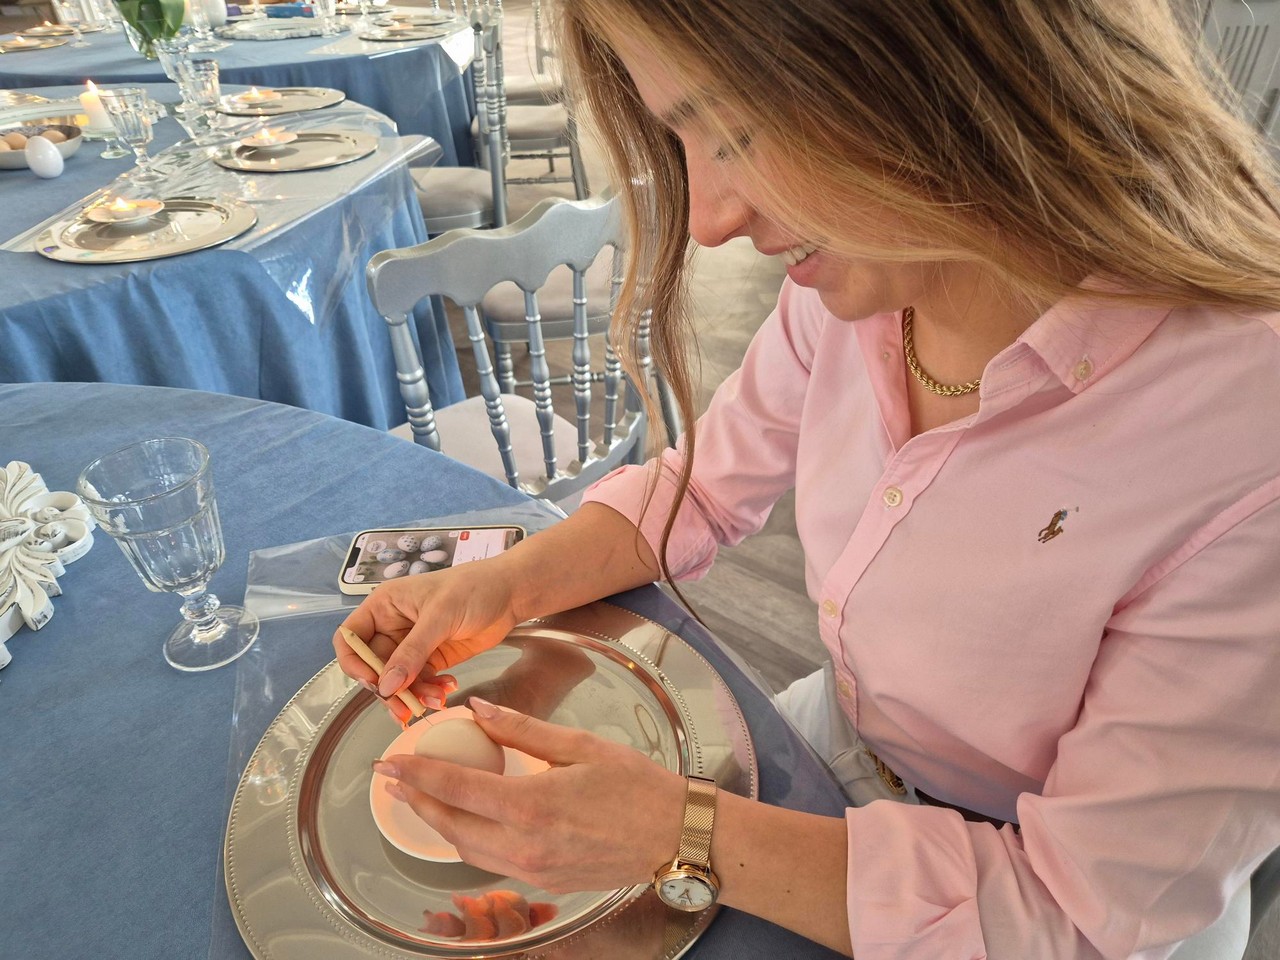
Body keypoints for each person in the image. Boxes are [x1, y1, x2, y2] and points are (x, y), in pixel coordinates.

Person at [335, 1, 1280, 956]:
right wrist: (502, 585)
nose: (710, 221)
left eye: (742, 130)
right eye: (681, 138)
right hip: (841, 748)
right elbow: (705, 487)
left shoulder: (1244, 441)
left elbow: (1073, 910)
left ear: (946, 59)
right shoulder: (873, 271)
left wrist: (677, 832)